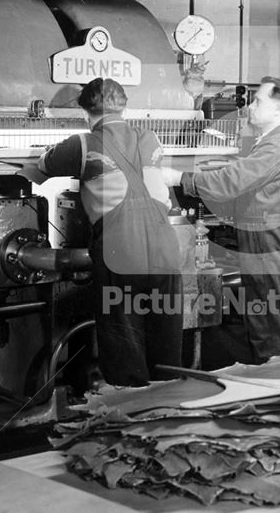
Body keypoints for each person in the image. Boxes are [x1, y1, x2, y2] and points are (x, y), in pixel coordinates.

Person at [32, 78, 182, 386]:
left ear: (86, 111)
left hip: (121, 250)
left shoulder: (83, 143)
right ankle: (166, 415)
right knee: (164, 339)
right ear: (124, 107)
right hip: (165, 247)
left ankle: (128, 419)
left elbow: (43, 165)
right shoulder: (150, 137)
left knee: (124, 342)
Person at [162, 77, 280, 362]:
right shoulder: (279, 139)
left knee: (275, 333)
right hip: (271, 240)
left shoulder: (279, 144)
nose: (250, 106)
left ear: (278, 109)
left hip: (270, 243)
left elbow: (233, 181)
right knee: (265, 326)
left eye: (258, 101)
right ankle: (275, 392)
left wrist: (179, 178)